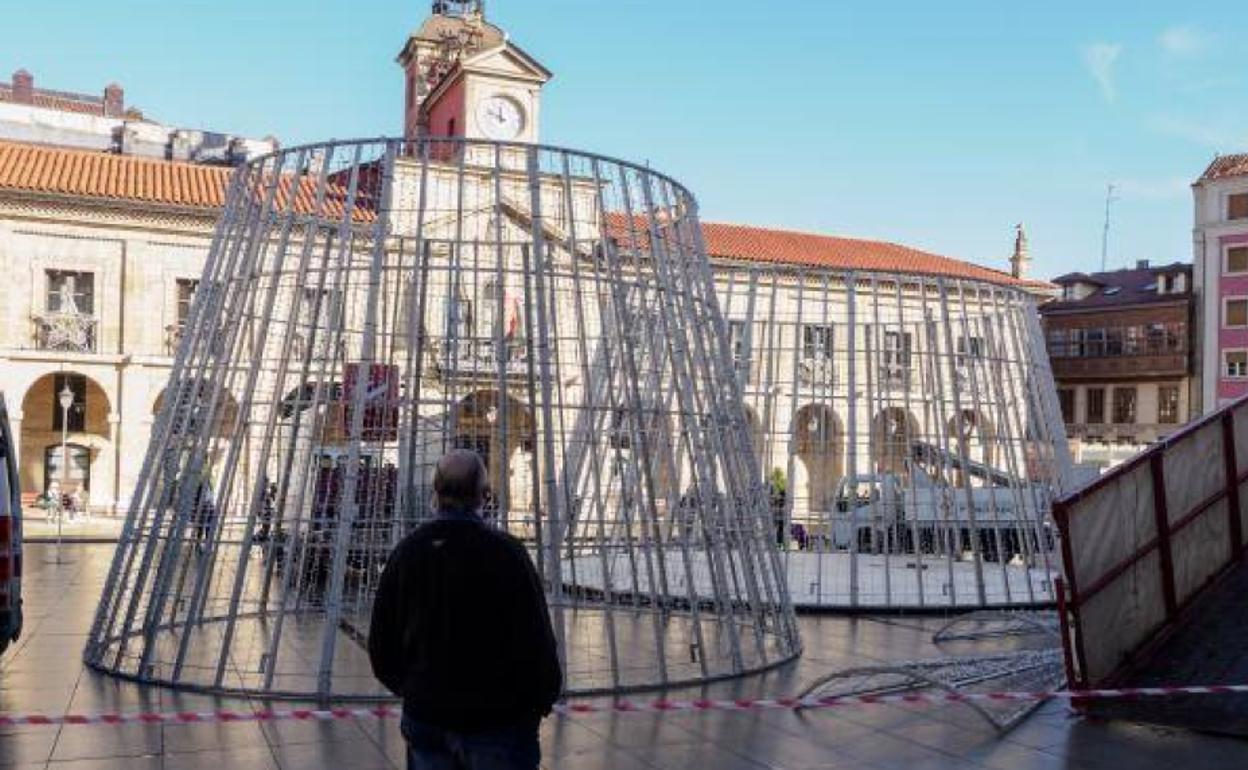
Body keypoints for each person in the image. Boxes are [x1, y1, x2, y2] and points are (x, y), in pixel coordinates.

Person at [369, 449, 562, 770]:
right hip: (499, 718)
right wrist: (540, 699)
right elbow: (536, 638)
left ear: (435, 492)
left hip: (428, 715)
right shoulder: (507, 553)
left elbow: (382, 642)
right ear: (483, 495)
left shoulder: (409, 551)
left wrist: (415, 691)